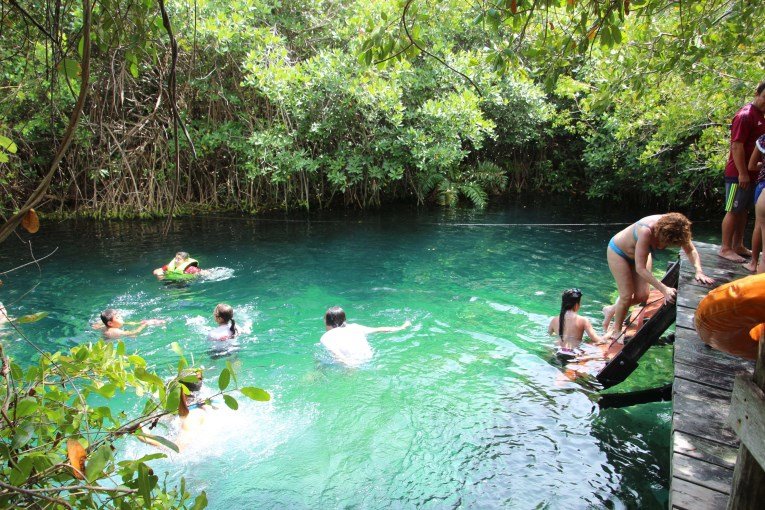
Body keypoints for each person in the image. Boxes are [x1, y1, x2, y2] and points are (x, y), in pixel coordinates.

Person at [602, 213, 714, 341]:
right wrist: (664, 289)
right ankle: (616, 331)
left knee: (642, 296)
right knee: (626, 295)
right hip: (619, 253)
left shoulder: (679, 229)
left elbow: (691, 250)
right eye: (663, 242)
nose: (662, 247)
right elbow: (640, 268)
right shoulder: (646, 231)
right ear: (659, 231)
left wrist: (698, 270)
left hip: (641, 254)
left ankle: (611, 310)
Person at [719, 82, 765, 263]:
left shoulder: (761, 116)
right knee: (732, 209)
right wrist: (743, 173)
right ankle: (725, 248)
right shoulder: (745, 115)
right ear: (757, 94)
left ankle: (737, 244)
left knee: (743, 210)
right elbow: (736, 146)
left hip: (753, 173)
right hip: (737, 174)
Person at [136, 371, 210, 453]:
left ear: (181, 392)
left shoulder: (192, 417)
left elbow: (178, 449)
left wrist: (147, 438)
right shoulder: (192, 404)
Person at [320, 306, 411, 366]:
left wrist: (349, 367)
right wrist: (402, 327)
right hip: (369, 358)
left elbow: (336, 354)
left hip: (351, 363)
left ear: (326, 321)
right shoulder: (356, 327)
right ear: (344, 320)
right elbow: (380, 329)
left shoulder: (326, 337)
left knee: (321, 360)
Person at [547, 289, 602, 359]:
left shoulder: (554, 320)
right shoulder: (583, 320)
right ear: (576, 305)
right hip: (573, 353)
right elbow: (598, 340)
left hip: (557, 351)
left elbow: (549, 334)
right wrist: (608, 334)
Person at [744, 134, 765, 273]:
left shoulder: (763, 139)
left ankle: (753, 263)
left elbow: (751, 165)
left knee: (759, 225)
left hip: (763, 188)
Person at [100, 308, 165, 339]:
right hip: (112, 347)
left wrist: (138, 323)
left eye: (120, 315)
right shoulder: (115, 331)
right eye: (118, 317)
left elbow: (124, 323)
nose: (121, 318)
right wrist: (144, 325)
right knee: (133, 336)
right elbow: (133, 332)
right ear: (110, 323)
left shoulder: (104, 326)